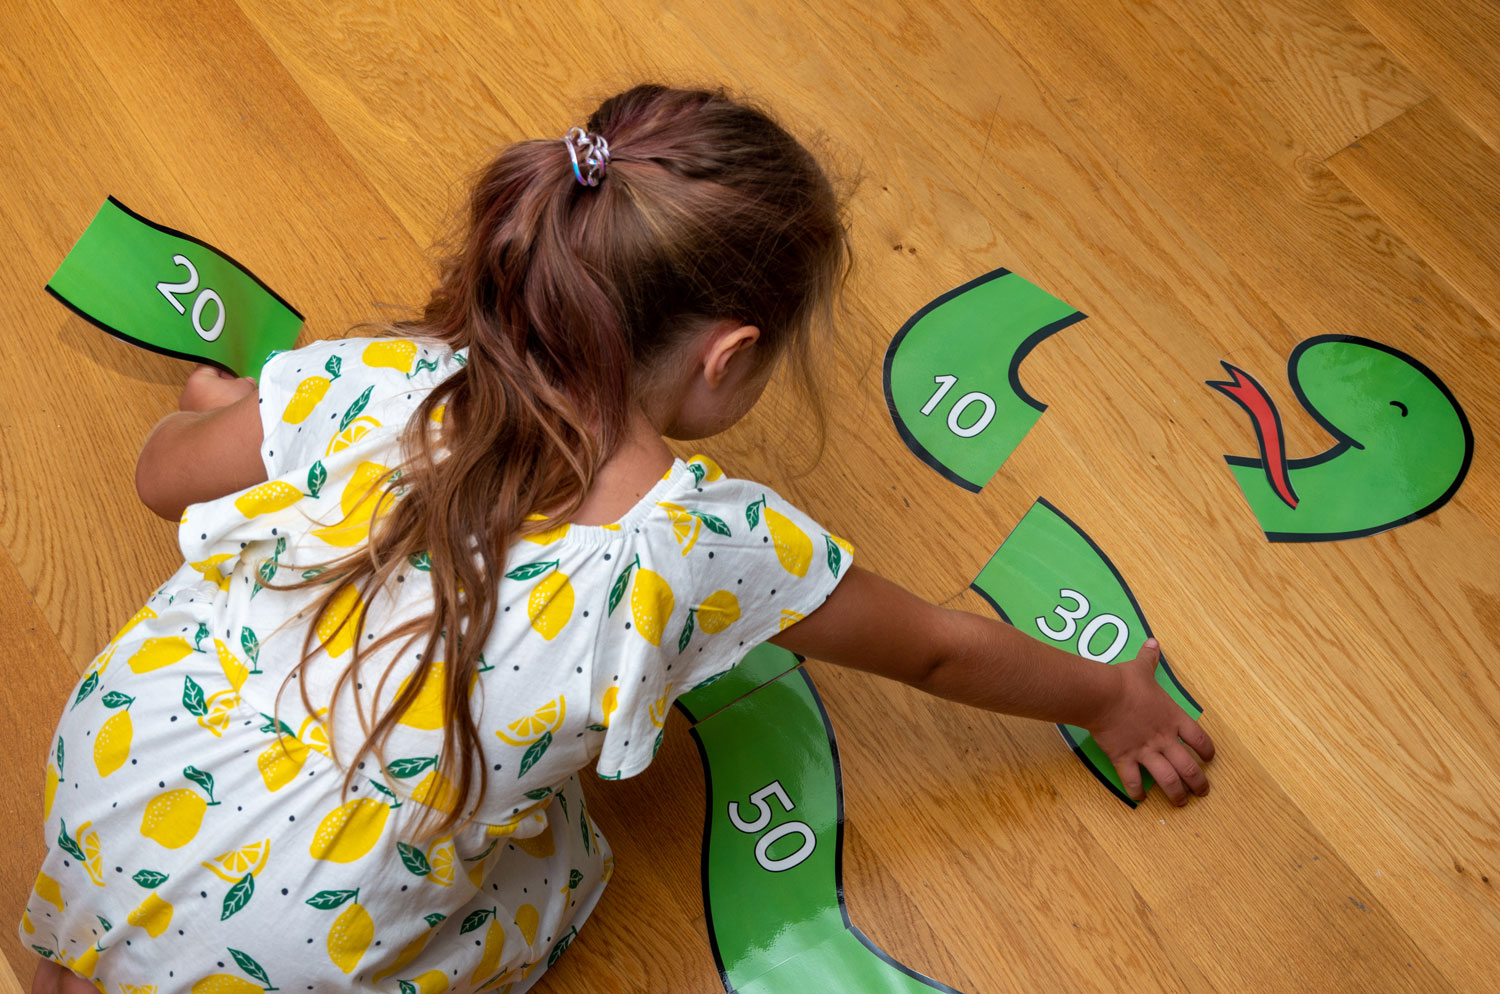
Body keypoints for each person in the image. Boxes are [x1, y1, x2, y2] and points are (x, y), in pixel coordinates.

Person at [24, 84, 1213, 994]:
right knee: (545, 871)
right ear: (729, 358)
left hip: (120, 787)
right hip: (308, 943)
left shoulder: (374, 380)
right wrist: (1113, 700)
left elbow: (157, 481)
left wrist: (248, 412)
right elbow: (942, 653)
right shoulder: (700, 546)